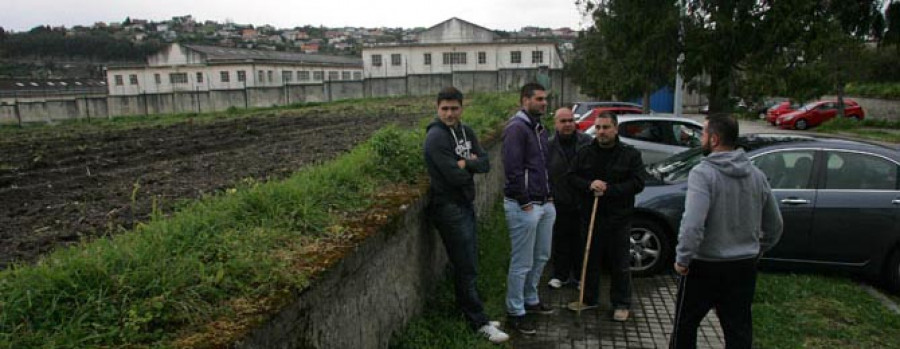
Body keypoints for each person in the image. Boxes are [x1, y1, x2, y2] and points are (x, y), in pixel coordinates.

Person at [669, 115, 783, 349]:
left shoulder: (703, 174)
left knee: (685, 326)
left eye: (703, 134)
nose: (701, 138)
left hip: (704, 266)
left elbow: (692, 223)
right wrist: (758, 249)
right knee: (738, 329)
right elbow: (775, 224)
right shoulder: (756, 175)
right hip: (743, 267)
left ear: (714, 139)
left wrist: (682, 258)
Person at [424, 86, 509, 344]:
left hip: (464, 204)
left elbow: (485, 162)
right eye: (445, 109)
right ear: (437, 109)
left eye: (454, 108)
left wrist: (467, 163)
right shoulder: (436, 138)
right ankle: (478, 321)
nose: (450, 113)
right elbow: (453, 176)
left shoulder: (466, 131)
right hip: (447, 208)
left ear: (462, 108)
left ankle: (473, 313)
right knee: (466, 265)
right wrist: (467, 166)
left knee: (469, 262)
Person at [566, 112, 644, 322]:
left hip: (619, 218)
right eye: (598, 127)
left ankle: (621, 303)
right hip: (590, 216)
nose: (601, 132)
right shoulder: (585, 153)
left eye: (606, 127)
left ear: (616, 129)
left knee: (620, 263)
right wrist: (589, 185)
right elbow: (571, 176)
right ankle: (589, 298)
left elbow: (637, 183)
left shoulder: (630, 154)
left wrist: (610, 189)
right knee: (590, 259)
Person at [502, 82, 557, 335]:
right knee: (522, 261)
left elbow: (544, 167)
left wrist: (550, 197)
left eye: (545, 99)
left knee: (542, 255)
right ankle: (515, 311)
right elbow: (512, 169)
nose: (544, 103)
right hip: (524, 206)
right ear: (525, 100)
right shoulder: (517, 129)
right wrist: (525, 202)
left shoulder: (539, 129)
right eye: (538, 99)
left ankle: (530, 299)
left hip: (544, 202)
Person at [546, 107, 593, 289]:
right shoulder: (549, 145)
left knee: (582, 240)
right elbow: (545, 172)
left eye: (570, 121)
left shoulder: (587, 142)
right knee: (560, 239)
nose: (567, 125)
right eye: (563, 121)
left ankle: (581, 277)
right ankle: (560, 274)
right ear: (556, 124)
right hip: (559, 200)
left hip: (583, 200)